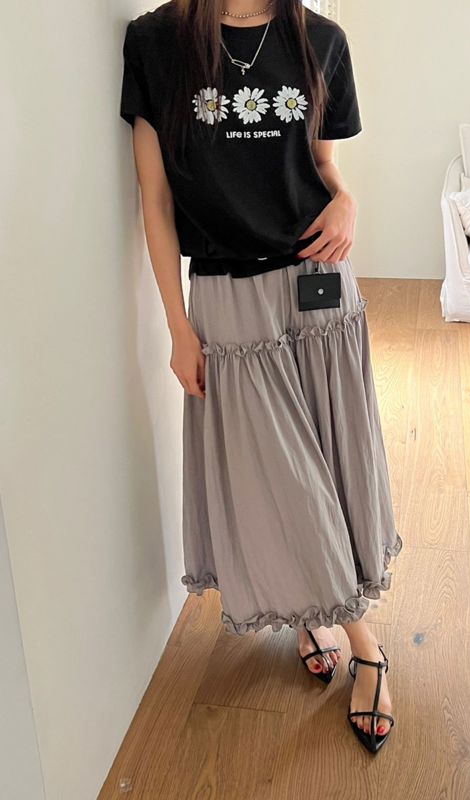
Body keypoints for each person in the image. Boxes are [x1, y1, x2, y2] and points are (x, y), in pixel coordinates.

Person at [119, 0, 403, 754]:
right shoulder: (156, 42)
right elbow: (155, 202)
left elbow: (324, 168)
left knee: (330, 462)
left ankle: (321, 612)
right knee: (282, 475)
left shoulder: (321, 39)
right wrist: (178, 327)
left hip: (319, 280)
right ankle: (367, 642)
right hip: (227, 294)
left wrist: (347, 202)